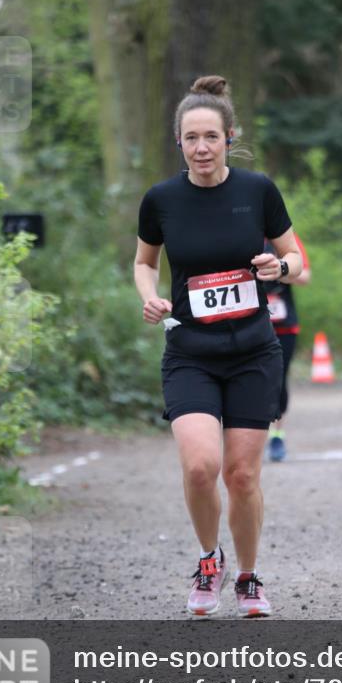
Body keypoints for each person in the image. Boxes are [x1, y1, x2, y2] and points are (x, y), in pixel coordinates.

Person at [134, 75, 303, 618]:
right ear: (178, 143)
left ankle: (249, 578)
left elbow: (299, 261)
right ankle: (210, 560)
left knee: (243, 475)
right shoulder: (161, 200)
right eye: (191, 138)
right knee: (201, 466)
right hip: (190, 353)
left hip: (254, 350)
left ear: (229, 137)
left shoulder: (257, 191)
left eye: (211, 136)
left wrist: (281, 267)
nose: (201, 148)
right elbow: (143, 262)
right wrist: (150, 296)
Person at [263, 232, 311, 459]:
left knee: (278, 379)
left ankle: (277, 437)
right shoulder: (235, 232)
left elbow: (305, 276)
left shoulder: (282, 237)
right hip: (247, 324)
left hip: (283, 325)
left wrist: (279, 269)